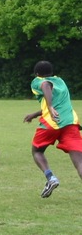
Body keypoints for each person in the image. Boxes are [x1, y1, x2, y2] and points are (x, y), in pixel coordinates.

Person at [23, 60, 82, 198]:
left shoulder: (39, 81)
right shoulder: (60, 81)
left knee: (37, 151)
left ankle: (51, 178)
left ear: (37, 73)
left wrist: (49, 107)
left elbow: (45, 86)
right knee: (79, 160)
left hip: (52, 123)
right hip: (70, 123)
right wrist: (35, 114)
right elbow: (56, 102)